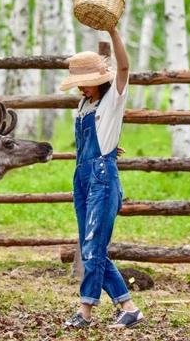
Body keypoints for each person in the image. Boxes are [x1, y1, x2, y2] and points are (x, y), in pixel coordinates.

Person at [59, 27, 143, 329]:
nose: (82, 88)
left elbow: (123, 66)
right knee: (89, 247)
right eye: (79, 84)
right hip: (81, 177)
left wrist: (113, 31)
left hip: (102, 179)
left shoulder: (113, 98)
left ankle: (85, 311)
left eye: (87, 83)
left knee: (94, 246)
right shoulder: (84, 105)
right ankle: (128, 307)